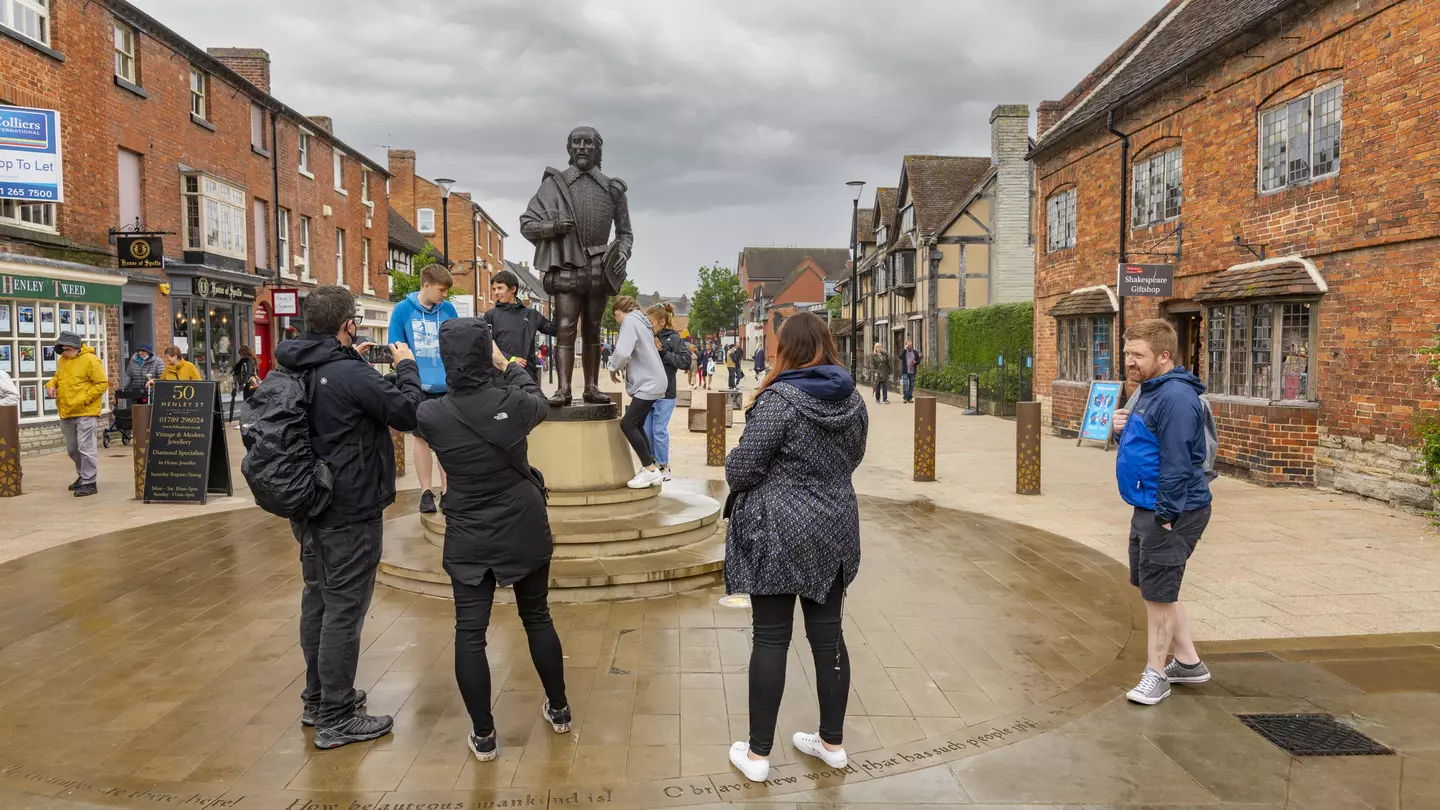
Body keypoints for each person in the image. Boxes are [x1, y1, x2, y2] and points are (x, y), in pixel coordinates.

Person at [415, 318, 571, 763]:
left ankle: (484, 735)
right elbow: (541, 400)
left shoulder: (432, 415)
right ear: (486, 355)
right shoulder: (513, 402)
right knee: (537, 616)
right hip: (522, 520)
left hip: (468, 529)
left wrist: (407, 367)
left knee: (470, 632)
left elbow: (408, 402)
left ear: (446, 361)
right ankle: (559, 709)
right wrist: (508, 366)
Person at [274, 285, 423, 748]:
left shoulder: (297, 363)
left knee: (317, 599)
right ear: (348, 324)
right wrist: (406, 367)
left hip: (309, 502)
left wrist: (353, 361)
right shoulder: (346, 372)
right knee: (345, 608)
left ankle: (318, 700)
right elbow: (408, 412)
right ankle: (337, 717)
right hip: (350, 506)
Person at [724, 311, 867, 783]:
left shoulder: (780, 400)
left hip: (780, 530)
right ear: (825, 344)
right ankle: (832, 743)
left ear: (788, 349)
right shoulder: (854, 400)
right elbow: (855, 457)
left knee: (770, 638)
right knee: (828, 637)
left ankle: (759, 755)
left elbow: (741, 470)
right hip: (835, 526)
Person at [1111, 319, 1214, 706]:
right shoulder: (1150, 391)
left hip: (1170, 509)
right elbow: (1149, 445)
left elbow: (1177, 460)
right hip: (1151, 505)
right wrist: (1122, 429)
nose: (1129, 361)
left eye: (1138, 355)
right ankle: (1188, 662)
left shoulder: (1174, 397)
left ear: (1164, 356)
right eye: (1127, 353)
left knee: (1158, 591)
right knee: (1157, 589)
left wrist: (1167, 514)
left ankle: (1156, 674)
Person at [387, 263, 458, 513]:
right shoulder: (402, 310)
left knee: (447, 441)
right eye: (441, 290)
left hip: (447, 386)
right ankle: (426, 492)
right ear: (426, 286)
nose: (445, 295)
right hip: (419, 387)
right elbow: (396, 347)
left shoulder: (448, 310)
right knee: (421, 440)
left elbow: (457, 345)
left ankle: (448, 492)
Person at [606, 295, 667, 489]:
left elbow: (623, 352)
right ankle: (652, 470)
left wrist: (612, 367)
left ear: (618, 313)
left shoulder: (630, 322)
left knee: (627, 424)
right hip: (654, 380)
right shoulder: (643, 322)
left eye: (616, 319)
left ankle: (649, 469)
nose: (617, 323)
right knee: (638, 424)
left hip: (648, 383)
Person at [45, 331, 108, 497]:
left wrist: (83, 399)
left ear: (71, 347)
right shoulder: (63, 361)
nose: (59, 351)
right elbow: (57, 377)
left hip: (86, 411)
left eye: (62, 348)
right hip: (66, 410)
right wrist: (51, 385)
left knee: (86, 447)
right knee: (73, 448)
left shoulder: (90, 360)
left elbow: (102, 384)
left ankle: (89, 482)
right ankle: (82, 475)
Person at [484, 269, 558, 383]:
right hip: (500, 378)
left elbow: (554, 330)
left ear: (513, 289)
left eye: (500, 288)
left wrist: (558, 306)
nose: (495, 292)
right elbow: (487, 345)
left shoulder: (531, 314)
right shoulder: (490, 316)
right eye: (494, 289)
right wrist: (511, 359)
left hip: (527, 376)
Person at [645, 302, 690, 481]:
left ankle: (664, 467)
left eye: (651, 322)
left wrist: (664, 354)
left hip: (665, 394)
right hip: (646, 392)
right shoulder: (646, 337)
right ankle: (650, 466)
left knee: (658, 430)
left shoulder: (674, 338)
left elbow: (685, 361)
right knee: (646, 431)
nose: (649, 325)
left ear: (662, 322)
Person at [230, 344, 260, 424]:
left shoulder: (248, 361)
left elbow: (248, 373)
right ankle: (251, 421)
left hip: (250, 385)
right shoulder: (250, 360)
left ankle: (250, 422)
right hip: (252, 385)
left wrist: (243, 384)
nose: (240, 355)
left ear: (243, 353)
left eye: (240, 353)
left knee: (248, 403)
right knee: (249, 403)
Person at [898, 340, 922, 404]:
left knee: (911, 385)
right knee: (905, 384)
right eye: (908, 345)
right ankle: (905, 398)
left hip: (912, 371)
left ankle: (910, 397)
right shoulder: (904, 352)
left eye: (911, 345)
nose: (910, 346)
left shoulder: (915, 352)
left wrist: (915, 362)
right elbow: (900, 357)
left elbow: (918, 360)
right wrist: (904, 350)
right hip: (905, 371)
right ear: (906, 345)